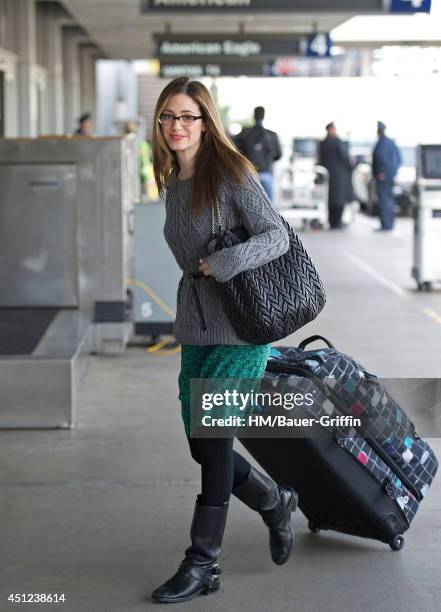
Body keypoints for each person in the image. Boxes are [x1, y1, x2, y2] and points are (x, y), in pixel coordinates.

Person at [150, 77, 297, 604]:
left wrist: (226, 261)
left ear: (206, 122)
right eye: (168, 116)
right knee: (200, 444)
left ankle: (202, 562)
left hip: (241, 326)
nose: (176, 126)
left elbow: (276, 234)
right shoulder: (172, 181)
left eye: (188, 116)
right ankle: (276, 500)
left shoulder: (231, 173)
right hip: (198, 326)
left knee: (214, 441)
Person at [234, 106, 282, 201]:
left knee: (248, 203)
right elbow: (278, 155)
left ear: (254, 116)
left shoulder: (243, 134)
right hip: (266, 173)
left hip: (248, 174)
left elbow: (235, 151)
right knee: (269, 206)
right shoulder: (272, 135)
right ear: (264, 116)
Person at [318, 122, 354, 230]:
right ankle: (337, 222)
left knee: (330, 200)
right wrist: (351, 167)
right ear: (331, 130)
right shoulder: (338, 142)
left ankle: (332, 221)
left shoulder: (323, 143)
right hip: (340, 176)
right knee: (339, 201)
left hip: (328, 176)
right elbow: (345, 158)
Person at [372, 121, 401, 231]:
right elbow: (398, 159)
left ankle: (386, 224)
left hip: (383, 177)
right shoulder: (390, 142)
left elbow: (381, 158)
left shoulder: (382, 143)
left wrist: (382, 173)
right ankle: (389, 223)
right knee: (389, 199)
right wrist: (392, 172)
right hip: (389, 176)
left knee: (384, 200)